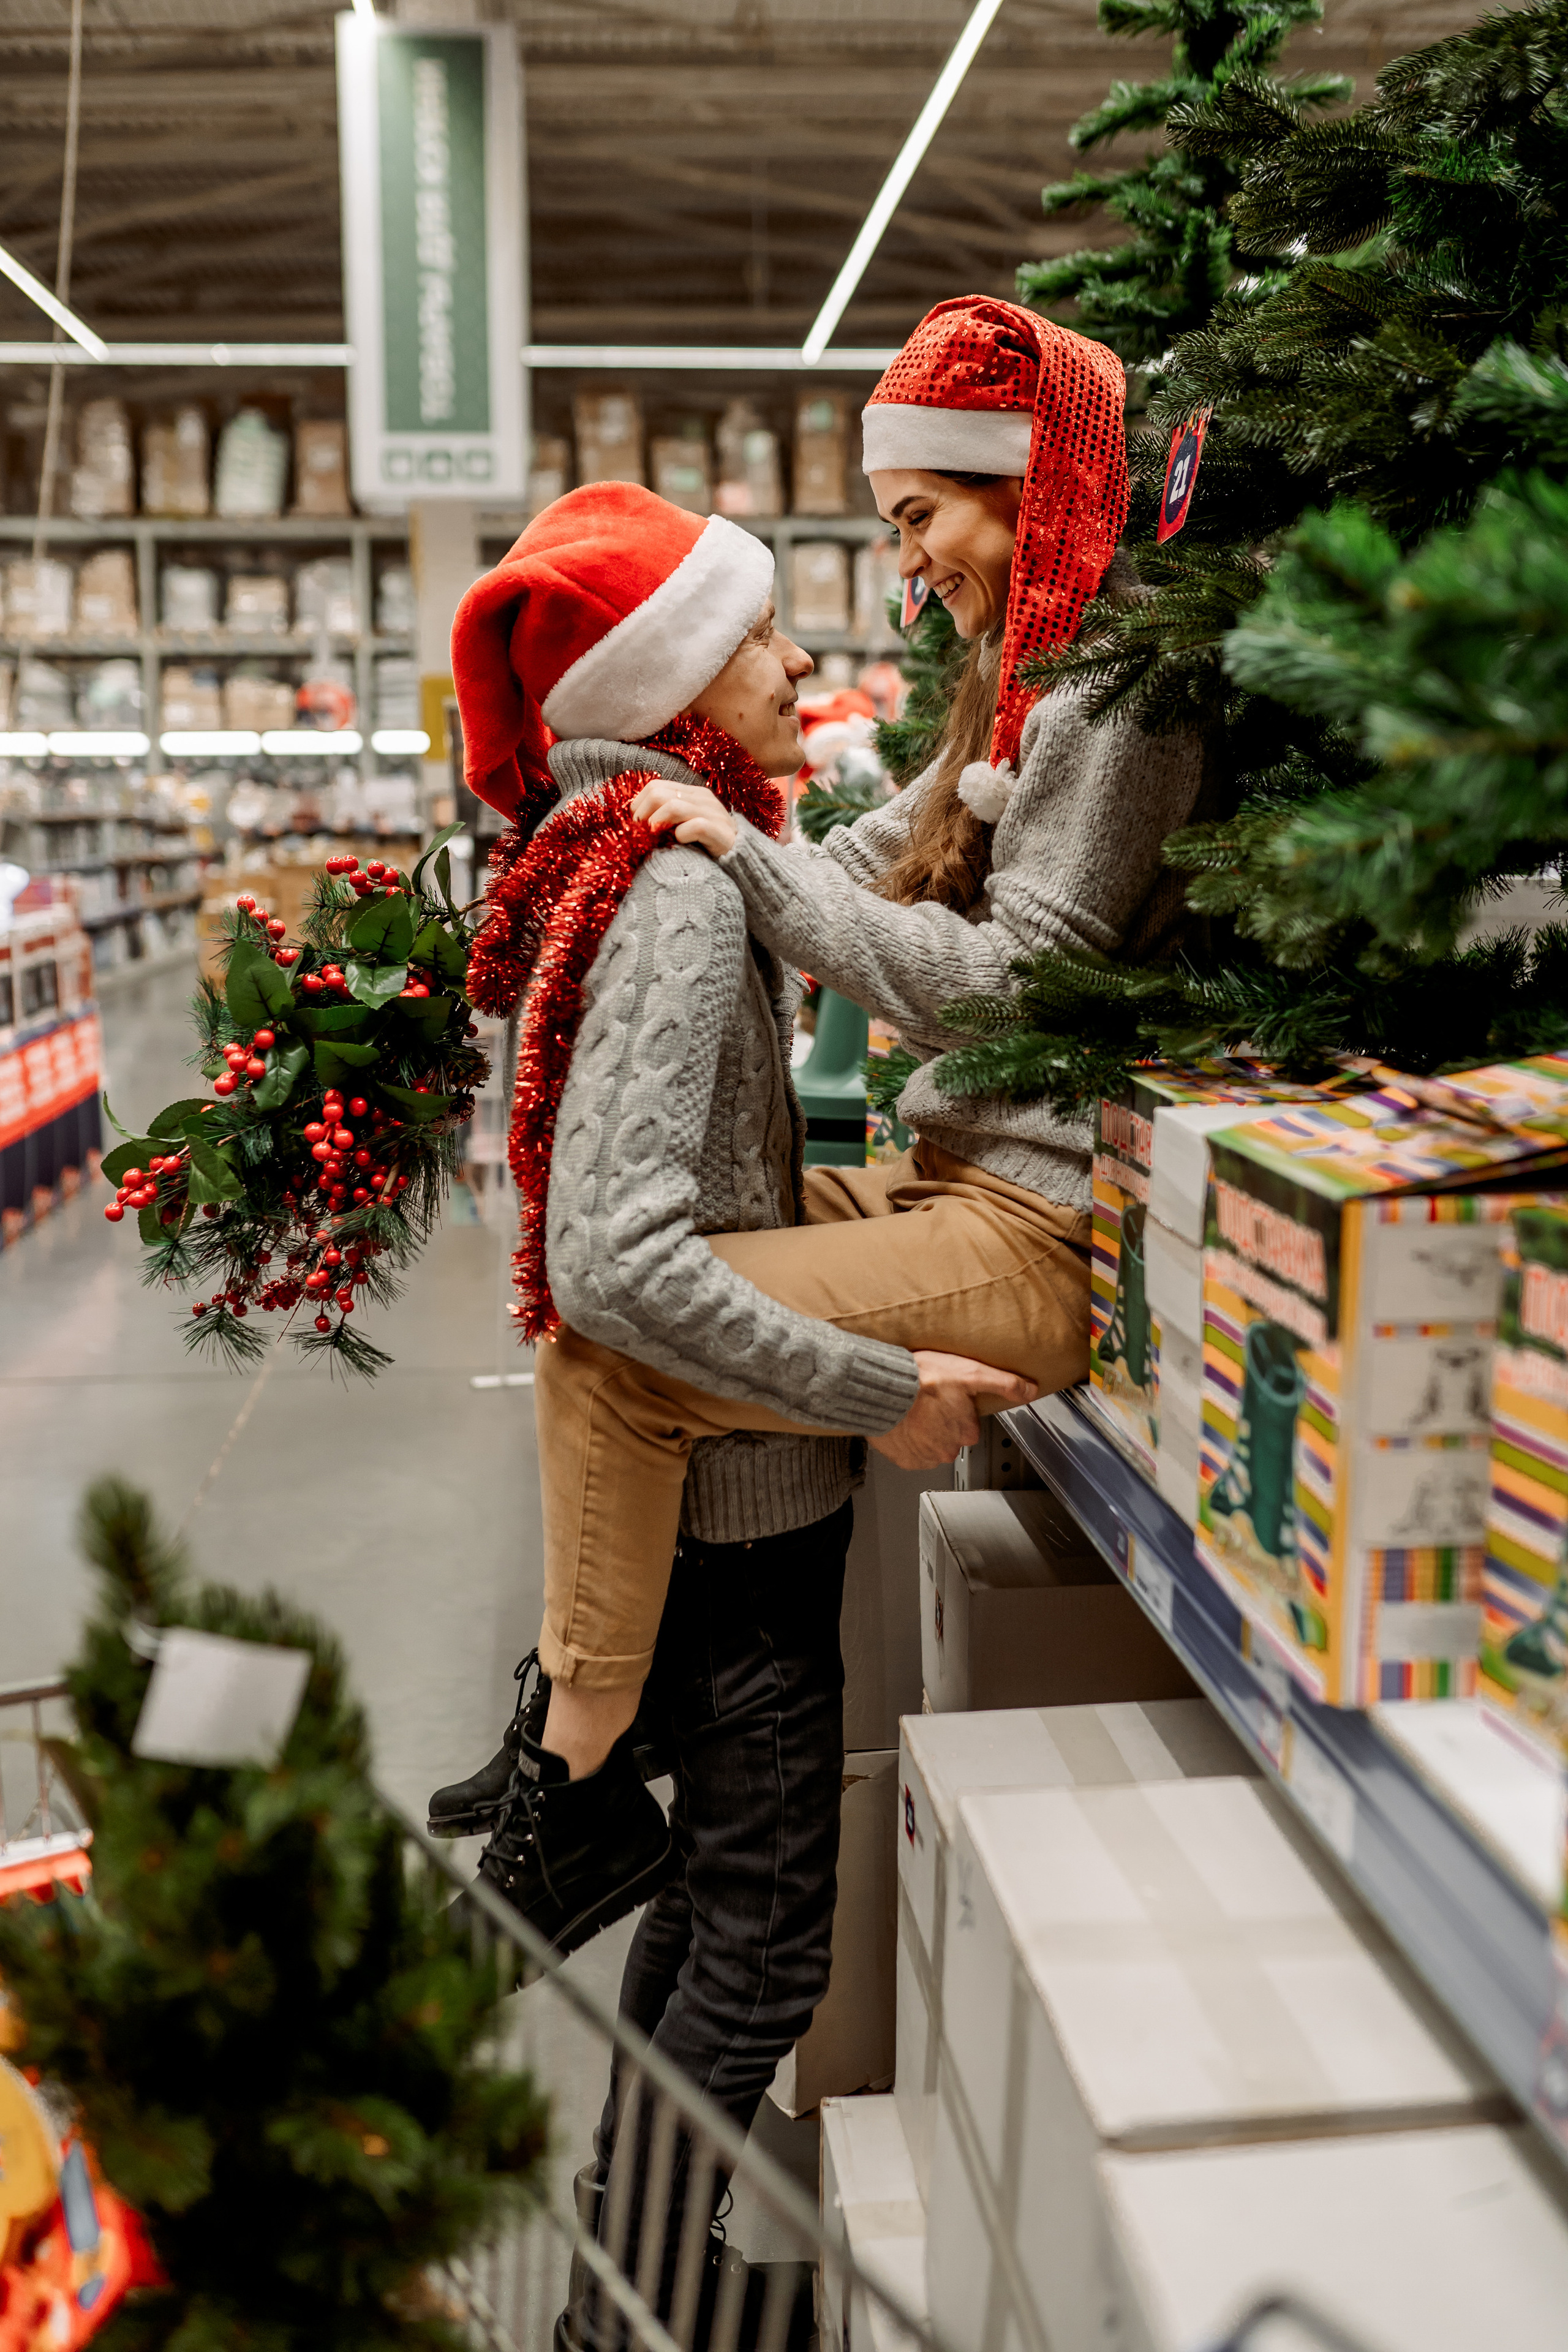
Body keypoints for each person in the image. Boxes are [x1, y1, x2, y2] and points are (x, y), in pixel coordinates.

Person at [459, 296, 1213, 1952]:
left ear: (1020, 486)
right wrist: (750, 843)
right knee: (639, 1298)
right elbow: (888, 852)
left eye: (920, 518)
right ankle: (588, 1717)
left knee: (609, 1344)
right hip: (956, 1181)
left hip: (1036, 1218)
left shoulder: (1122, 696)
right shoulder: (1023, 681)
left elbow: (1024, 985)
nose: (908, 566)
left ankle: (573, 1765)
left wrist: (747, 869)